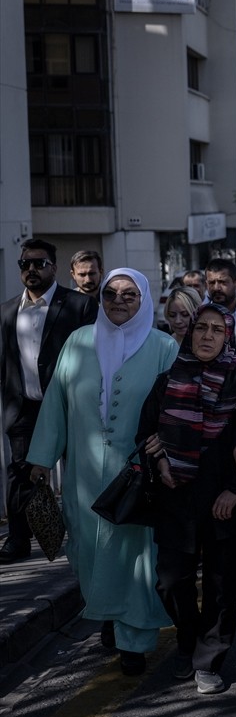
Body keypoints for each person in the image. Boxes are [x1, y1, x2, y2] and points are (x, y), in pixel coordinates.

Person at [26, 269, 178, 675]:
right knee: (88, 551)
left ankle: (134, 638)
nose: (119, 301)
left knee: (134, 556)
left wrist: (166, 445)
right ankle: (110, 614)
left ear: (144, 299)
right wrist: (41, 458)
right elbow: (56, 402)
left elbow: (176, 407)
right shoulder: (79, 342)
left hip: (136, 473)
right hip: (84, 472)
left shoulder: (163, 346)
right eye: (111, 294)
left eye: (130, 295)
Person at [136, 305, 236, 695]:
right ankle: (188, 640)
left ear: (228, 336)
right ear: (189, 334)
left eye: (216, 330)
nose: (207, 336)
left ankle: (209, 658)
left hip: (224, 500)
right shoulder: (167, 380)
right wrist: (157, 459)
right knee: (170, 582)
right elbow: (146, 434)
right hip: (177, 497)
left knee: (222, 586)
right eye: (200, 328)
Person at [0, 239, 98, 563]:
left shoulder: (79, 306)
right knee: (19, 473)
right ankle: (18, 540)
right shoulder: (8, 310)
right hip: (24, 406)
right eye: (25, 264)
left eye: (39, 263)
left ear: (54, 268)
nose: (31, 269)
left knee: (78, 471)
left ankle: (84, 532)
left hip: (69, 407)